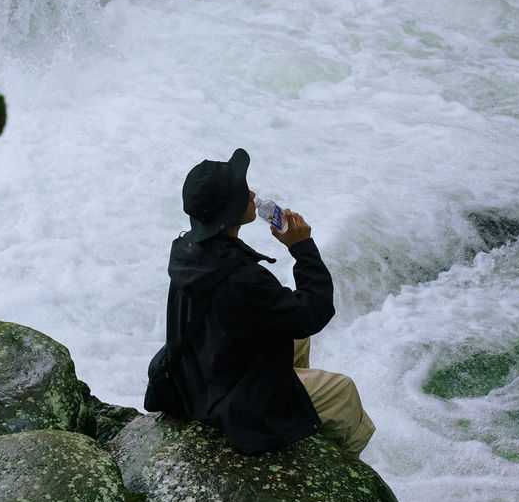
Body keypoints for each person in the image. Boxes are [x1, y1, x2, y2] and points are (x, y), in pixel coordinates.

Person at [156, 147, 375, 459]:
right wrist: (302, 248)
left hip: (197, 378)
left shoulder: (186, 250)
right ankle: (341, 468)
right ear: (230, 213)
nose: (253, 194)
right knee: (343, 392)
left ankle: (295, 414)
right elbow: (316, 310)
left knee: (297, 336)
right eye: (244, 193)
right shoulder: (240, 278)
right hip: (231, 402)